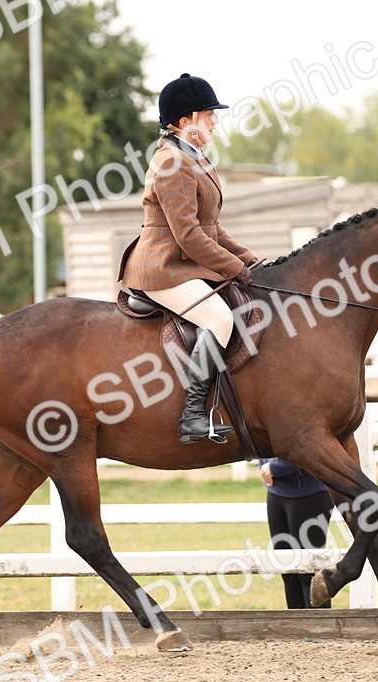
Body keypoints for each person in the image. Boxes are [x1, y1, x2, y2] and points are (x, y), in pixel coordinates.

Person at [120, 73, 262, 443]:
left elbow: (211, 226)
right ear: (185, 122)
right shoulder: (173, 163)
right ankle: (193, 415)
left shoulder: (194, 159)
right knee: (217, 316)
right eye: (209, 115)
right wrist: (233, 269)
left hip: (182, 262)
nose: (215, 121)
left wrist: (250, 260)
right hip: (162, 268)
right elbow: (188, 235)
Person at [259, 457, 335, 609]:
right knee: (288, 573)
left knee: (310, 575)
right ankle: (299, 629)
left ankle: (319, 630)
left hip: (309, 494)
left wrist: (275, 467)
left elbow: (307, 440)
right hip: (276, 491)